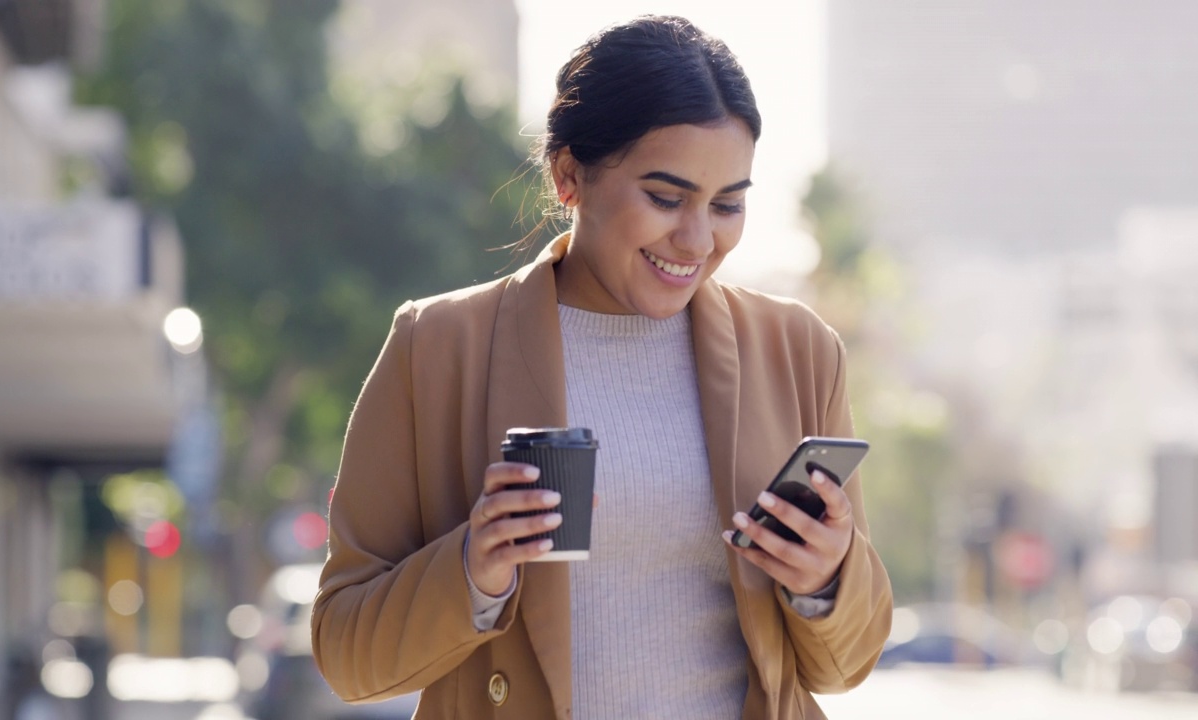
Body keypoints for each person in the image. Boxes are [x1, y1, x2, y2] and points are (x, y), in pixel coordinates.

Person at [312, 14, 892, 719]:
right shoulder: (436, 347)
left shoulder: (797, 350)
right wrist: (474, 569)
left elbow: (845, 666)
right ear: (568, 177)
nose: (697, 238)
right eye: (665, 197)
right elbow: (345, 654)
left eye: (728, 205)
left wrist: (826, 580)